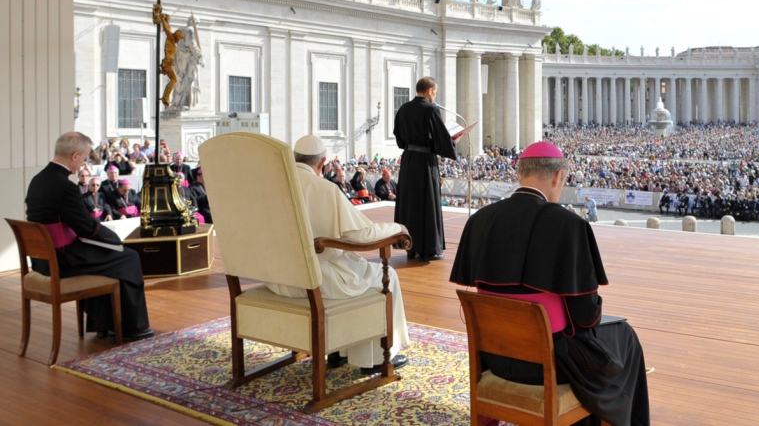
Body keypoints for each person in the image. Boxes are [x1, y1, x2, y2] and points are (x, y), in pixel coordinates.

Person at [450, 141, 650, 425]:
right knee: (626, 337)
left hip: (495, 358)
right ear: (558, 176)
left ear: (520, 174)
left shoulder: (480, 220)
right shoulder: (570, 226)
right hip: (551, 365)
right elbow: (586, 317)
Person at [266, 135, 410, 373]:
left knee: (357, 271)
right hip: (319, 281)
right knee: (385, 277)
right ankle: (375, 359)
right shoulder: (324, 189)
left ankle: (337, 352)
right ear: (322, 163)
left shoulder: (275, 185)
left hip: (280, 280)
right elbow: (362, 235)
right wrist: (397, 229)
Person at [25, 132, 152, 340]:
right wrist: (115, 239)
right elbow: (87, 227)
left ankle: (105, 323)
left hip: (42, 260)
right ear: (75, 155)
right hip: (62, 260)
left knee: (111, 256)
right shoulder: (65, 186)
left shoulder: (37, 180)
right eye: (84, 158)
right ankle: (131, 328)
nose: (84, 163)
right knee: (128, 257)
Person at [393, 77, 457, 261]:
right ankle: (429, 249)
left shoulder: (403, 109)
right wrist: (453, 142)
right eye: (435, 92)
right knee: (427, 203)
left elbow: (399, 140)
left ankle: (411, 247)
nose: (435, 96)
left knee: (410, 203)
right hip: (424, 162)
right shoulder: (431, 109)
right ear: (430, 91)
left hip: (408, 161)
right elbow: (441, 140)